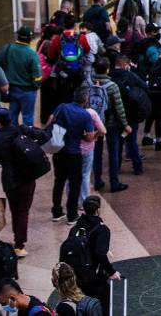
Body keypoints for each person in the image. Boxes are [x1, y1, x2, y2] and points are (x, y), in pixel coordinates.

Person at [0, 108, 48, 257]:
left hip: (9, 180)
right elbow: (44, 137)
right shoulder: (21, 130)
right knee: (23, 211)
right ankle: (19, 244)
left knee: (16, 211)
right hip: (27, 178)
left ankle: (18, 238)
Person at [46, 87, 96, 224]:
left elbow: (51, 119)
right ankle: (72, 215)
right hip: (74, 153)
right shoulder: (85, 115)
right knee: (75, 185)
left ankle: (56, 212)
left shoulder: (62, 107)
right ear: (85, 100)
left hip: (59, 150)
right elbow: (90, 138)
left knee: (59, 181)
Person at [68, 196, 122, 308]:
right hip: (94, 277)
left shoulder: (76, 228)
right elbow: (100, 254)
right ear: (98, 210)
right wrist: (111, 272)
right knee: (102, 305)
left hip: (78, 275)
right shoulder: (102, 230)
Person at [91, 58, 131, 193]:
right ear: (107, 69)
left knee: (96, 151)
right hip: (111, 123)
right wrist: (125, 124)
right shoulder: (112, 86)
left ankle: (97, 180)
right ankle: (114, 182)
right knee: (113, 152)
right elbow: (119, 107)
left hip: (94, 123)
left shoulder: (87, 84)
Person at [0, 27, 42, 128]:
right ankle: (25, 140)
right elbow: (37, 77)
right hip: (28, 91)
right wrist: (35, 86)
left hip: (12, 90)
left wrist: (4, 79)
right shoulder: (32, 55)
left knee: (12, 118)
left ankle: (12, 139)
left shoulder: (7, 49)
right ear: (30, 39)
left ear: (18, 37)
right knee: (27, 119)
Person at [109, 55, 147, 176]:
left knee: (118, 143)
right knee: (132, 141)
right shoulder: (130, 75)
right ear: (126, 64)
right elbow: (144, 86)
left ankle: (117, 167)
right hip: (131, 114)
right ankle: (137, 167)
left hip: (115, 116)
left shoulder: (109, 77)